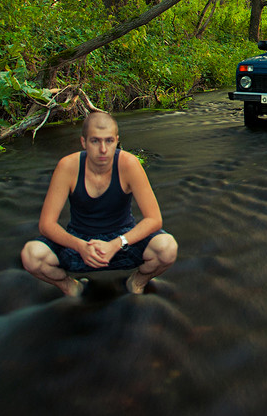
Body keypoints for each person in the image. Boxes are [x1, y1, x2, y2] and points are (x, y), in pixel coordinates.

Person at [21, 111, 177, 296]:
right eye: (95, 141)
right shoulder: (68, 167)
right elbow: (46, 225)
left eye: (109, 141)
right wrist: (80, 246)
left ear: (117, 141)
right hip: (80, 239)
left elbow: (154, 219)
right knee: (31, 255)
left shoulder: (129, 164)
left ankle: (137, 282)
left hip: (123, 240)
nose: (103, 149)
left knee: (167, 248)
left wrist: (117, 244)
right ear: (83, 142)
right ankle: (70, 287)